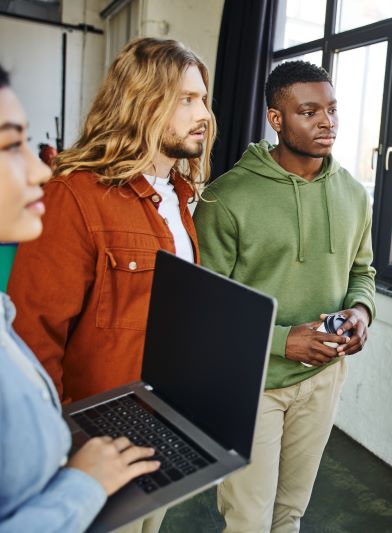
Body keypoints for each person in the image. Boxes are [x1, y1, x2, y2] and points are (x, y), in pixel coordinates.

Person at [193, 60, 376, 532]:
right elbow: (205, 308)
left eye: (332, 110)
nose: (327, 122)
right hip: (252, 383)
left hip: (323, 379)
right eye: (309, 111)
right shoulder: (227, 198)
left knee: (289, 514)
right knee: (249, 521)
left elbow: (362, 271)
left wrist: (360, 311)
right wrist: (280, 341)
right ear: (277, 119)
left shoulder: (354, 194)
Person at [8, 37, 215, 405]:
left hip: (164, 411)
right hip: (98, 427)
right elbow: (33, 337)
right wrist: (62, 442)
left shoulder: (179, 196)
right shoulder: (74, 195)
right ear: (142, 103)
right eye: (185, 99)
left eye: (202, 99)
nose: (203, 115)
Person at [0, 63, 160, 533]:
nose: (38, 168)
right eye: (10, 145)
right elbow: (42, 326)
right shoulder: (74, 196)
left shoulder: (178, 199)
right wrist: (81, 483)